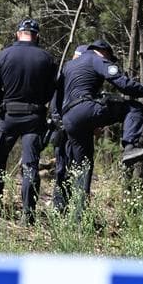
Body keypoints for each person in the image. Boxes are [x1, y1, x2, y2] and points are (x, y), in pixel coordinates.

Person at [58, 38, 143, 211]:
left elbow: (58, 95)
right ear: (104, 52)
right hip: (85, 108)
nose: (110, 62)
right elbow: (123, 84)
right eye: (110, 59)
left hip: (69, 119)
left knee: (83, 166)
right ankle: (129, 148)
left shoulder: (68, 65)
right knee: (135, 107)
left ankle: (80, 217)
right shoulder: (97, 58)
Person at [0, 19, 58, 222]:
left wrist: (6, 101)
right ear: (37, 36)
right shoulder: (47, 59)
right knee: (30, 166)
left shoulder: (3, 55)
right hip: (34, 118)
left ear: (18, 34)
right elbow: (53, 92)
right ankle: (28, 213)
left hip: (8, 116)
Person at [49, 44, 85, 213]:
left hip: (77, 129)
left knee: (77, 169)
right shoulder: (64, 74)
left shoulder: (83, 79)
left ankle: (75, 207)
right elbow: (54, 103)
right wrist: (59, 123)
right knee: (62, 168)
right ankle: (59, 206)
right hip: (62, 129)